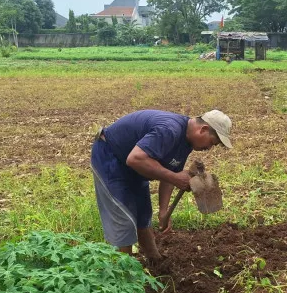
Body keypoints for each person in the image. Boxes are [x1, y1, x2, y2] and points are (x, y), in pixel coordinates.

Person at [90, 109, 232, 260]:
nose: (209, 149)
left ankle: (155, 260)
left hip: (135, 167)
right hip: (111, 158)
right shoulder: (169, 130)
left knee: (143, 214)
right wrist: (176, 178)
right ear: (203, 129)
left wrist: (164, 211)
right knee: (124, 220)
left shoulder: (186, 142)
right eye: (211, 143)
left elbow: (169, 174)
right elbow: (135, 159)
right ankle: (124, 276)